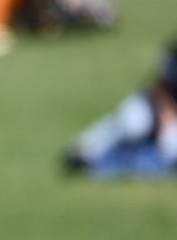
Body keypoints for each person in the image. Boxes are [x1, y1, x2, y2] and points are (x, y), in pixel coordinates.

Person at [64, 42, 177, 177]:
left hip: (165, 128)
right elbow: (161, 88)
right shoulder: (173, 59)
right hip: (153, 108)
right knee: (133, 124)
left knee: (170, 147)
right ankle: (86, 149)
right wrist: (165, 115)